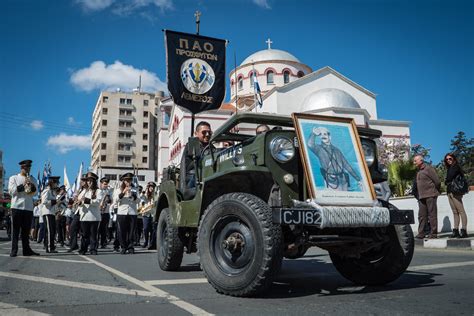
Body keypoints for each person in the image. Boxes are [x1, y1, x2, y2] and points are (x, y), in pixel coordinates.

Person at [308, 127, 362, 191]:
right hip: (332, 182)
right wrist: (313, 134)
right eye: (321, 135)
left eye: (325, 134)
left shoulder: (337, 150)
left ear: (329, 136)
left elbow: (347, 165)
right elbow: (310, 145)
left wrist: (358, 179)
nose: (323, 136)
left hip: (343, 181)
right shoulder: (319, 149)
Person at [8, 159, 40, 257]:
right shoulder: (14, 178)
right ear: (21, 168)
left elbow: (35, 193)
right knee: (15, 230)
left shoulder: (33, 179)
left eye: (29, 167)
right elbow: (11, 191)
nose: (27, 169)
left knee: (26, 231)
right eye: (26, 168)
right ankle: (14, 250)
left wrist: (30, 185)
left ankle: (26, 250)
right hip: (17, 207)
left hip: (28, 207)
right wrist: (23, 185)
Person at [413, 155, 441, 239]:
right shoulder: (418, 171)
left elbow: (437, 181)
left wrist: (434, 191)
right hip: (421, 197)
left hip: (430, 195)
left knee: (432, 215)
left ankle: (433, 233)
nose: (414, 162)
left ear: (421, 161)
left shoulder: (429, 169)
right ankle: (421, 233)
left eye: (415, 161)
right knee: (421, 215)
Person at [182, 121, 213, 190]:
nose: (207, 134)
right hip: (193, 179)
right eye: (204, 132)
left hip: (206, 175)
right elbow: (202, 160)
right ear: (196, 133)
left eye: (209, 132)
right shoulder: (192, 145)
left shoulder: (211, 147)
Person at [444, 153, 469, 238]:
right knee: (455, 212)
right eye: (447, 159)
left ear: (453, 159)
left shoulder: (456, 167)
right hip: (450, 192)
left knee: (461, 211)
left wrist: (446, 180)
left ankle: (464, 230)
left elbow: (449, 178)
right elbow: (447, 179)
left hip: (456, 191)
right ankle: (455, 230)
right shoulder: (450, 168)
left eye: (450, 159)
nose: (448, 161)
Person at [114, 172, 138, 254]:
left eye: (130, 180)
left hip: (132, 212)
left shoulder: (135, 189)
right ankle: (123, 246)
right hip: (122, 212)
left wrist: (133, 196)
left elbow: (138, 200)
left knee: (131, 231)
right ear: (123, 181)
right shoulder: (118, 190)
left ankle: (130, 246)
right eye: (126, 180)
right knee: (122, 231)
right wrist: (123, 192)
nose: (128, 182)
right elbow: (116, 200)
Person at [79, 172, 101, 255]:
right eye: (88, 181)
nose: (89, 182)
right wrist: (79, 203)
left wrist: (86, 200)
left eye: (91, 181)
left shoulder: (98, 191)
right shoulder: (84, 191)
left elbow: (98, 202)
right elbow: (80, 201)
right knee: (84, 234)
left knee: (93, 234)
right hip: (84, 216)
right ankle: (83, 249)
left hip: (94, 216)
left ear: (94, 182)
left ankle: (93, 249)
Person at [41, 175, 61, 253]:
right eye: (56, 183)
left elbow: (53, 204)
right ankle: (50, 247)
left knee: (51, 230)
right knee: (50, 231)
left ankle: (48, 245)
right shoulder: (47, 190)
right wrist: (55, 201)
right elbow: (44, 202)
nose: (57, 185)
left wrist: (56, 212)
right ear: (52, 183)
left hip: (51, 213)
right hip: (47, 213)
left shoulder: (52, 192)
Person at [67, 175, 88, 252]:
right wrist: (75, 199)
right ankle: (73, 245)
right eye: (81, 180)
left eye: (84, 180)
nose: (82, 182)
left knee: (83, 231)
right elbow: (77, 201)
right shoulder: (80, 190)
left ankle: (84, 247)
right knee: (72, 228)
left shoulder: (88, 190)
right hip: (78, 211)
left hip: (85, 212)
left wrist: (79, 201)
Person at [140, 182, 156, 248]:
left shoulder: (155, 195)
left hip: (152, 214)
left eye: (152, 187)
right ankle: (146, 241)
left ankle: (151, 243)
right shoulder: (145, 194)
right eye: (150, 187)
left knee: (152, 229)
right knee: (146, 228)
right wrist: (144, 191)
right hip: (146, 214)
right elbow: (141, 197)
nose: (151, 188)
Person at [98, 177, 112, 248]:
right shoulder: (98, 191)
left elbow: (111, 201)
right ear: (101, 184)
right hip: (98, 212)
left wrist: (109, 197)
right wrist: (104, 196)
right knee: (97, 229)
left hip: (106, 212)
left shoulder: (109, 192)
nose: (106, 185)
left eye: (107, 184)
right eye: (104, 184)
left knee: (104, 229)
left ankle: (103, 243)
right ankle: (96, 243)